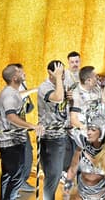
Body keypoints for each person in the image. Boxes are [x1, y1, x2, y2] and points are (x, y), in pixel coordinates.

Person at [0, 64, 43, 200]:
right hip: (12, 142)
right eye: (19, 72)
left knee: (8, 176)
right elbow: (11, 117)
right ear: (14, 77)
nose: (23, 73)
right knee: (16, 178)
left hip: (11, 141)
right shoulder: (9, 95)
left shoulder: (12, 92)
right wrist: (32, 126)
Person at [66, 112, 105, 200]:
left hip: (104, 195)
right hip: (81, 194)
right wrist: (66, 189)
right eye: (88, 129)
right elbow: (72, 170)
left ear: (102, 132)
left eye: (93, 130)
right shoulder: (82, 146)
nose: (88, 132)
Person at [38, 60, 69, 200]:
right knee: (53, 175)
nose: (62, 76)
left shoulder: (62, 84)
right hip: (49, 137)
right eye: (59, 73)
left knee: (55, 175)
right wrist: (58, 78)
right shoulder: (45, 87)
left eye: (63, 73)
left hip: (61, 135)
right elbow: (58, 98)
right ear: (51, 73)